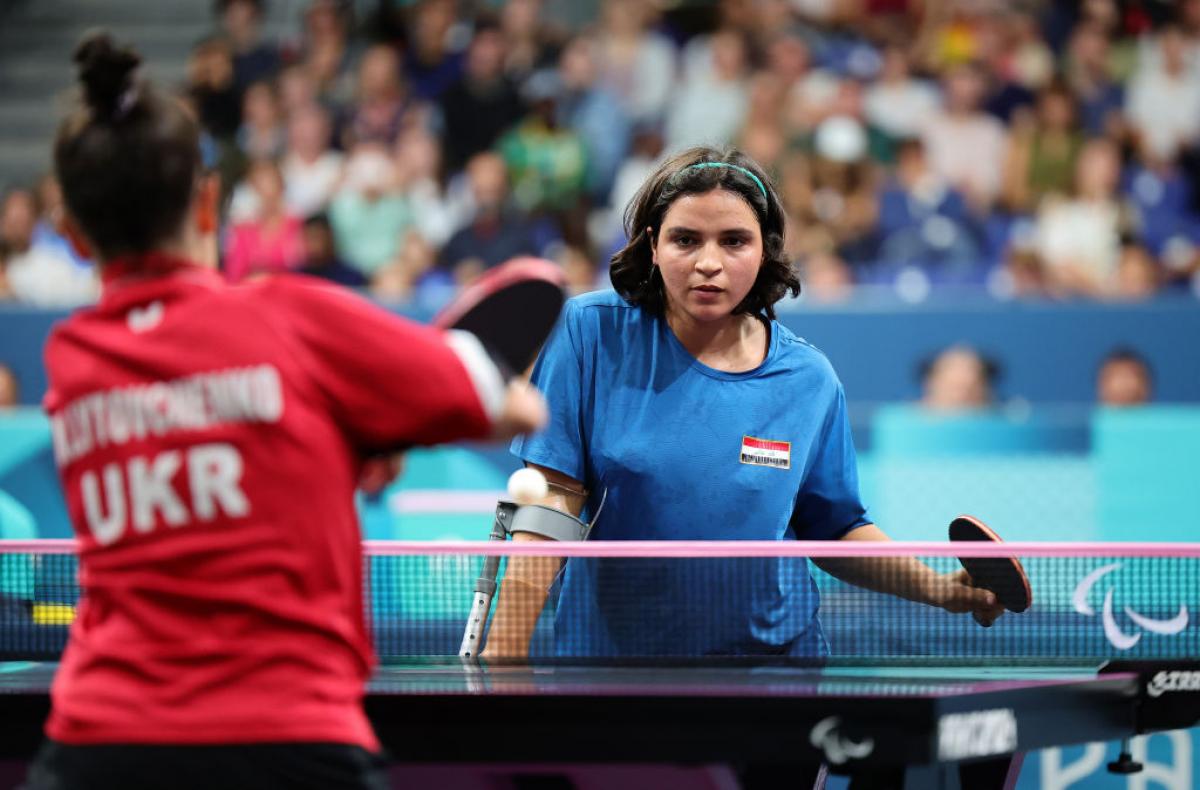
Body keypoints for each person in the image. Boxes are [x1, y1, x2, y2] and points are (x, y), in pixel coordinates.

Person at [23, 33, 546, 790]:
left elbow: (213, 431)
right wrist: (375, 422)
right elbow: (510, 406)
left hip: (98, 746)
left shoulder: (74, 362)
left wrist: (342, 435)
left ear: (70, 233)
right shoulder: (288, 317)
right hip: (290, 739)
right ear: (210, 202)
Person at [483, 146, 1003, 663]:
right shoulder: (591, 332)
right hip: (615, 663)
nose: (709, 263)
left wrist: (937, 589)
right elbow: (552, 501)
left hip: (771, 668)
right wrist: (506, 654)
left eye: (734, 241)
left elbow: (836, 526)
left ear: (764, 251)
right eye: (685, 239)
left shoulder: (808, 378)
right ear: (654, 245)